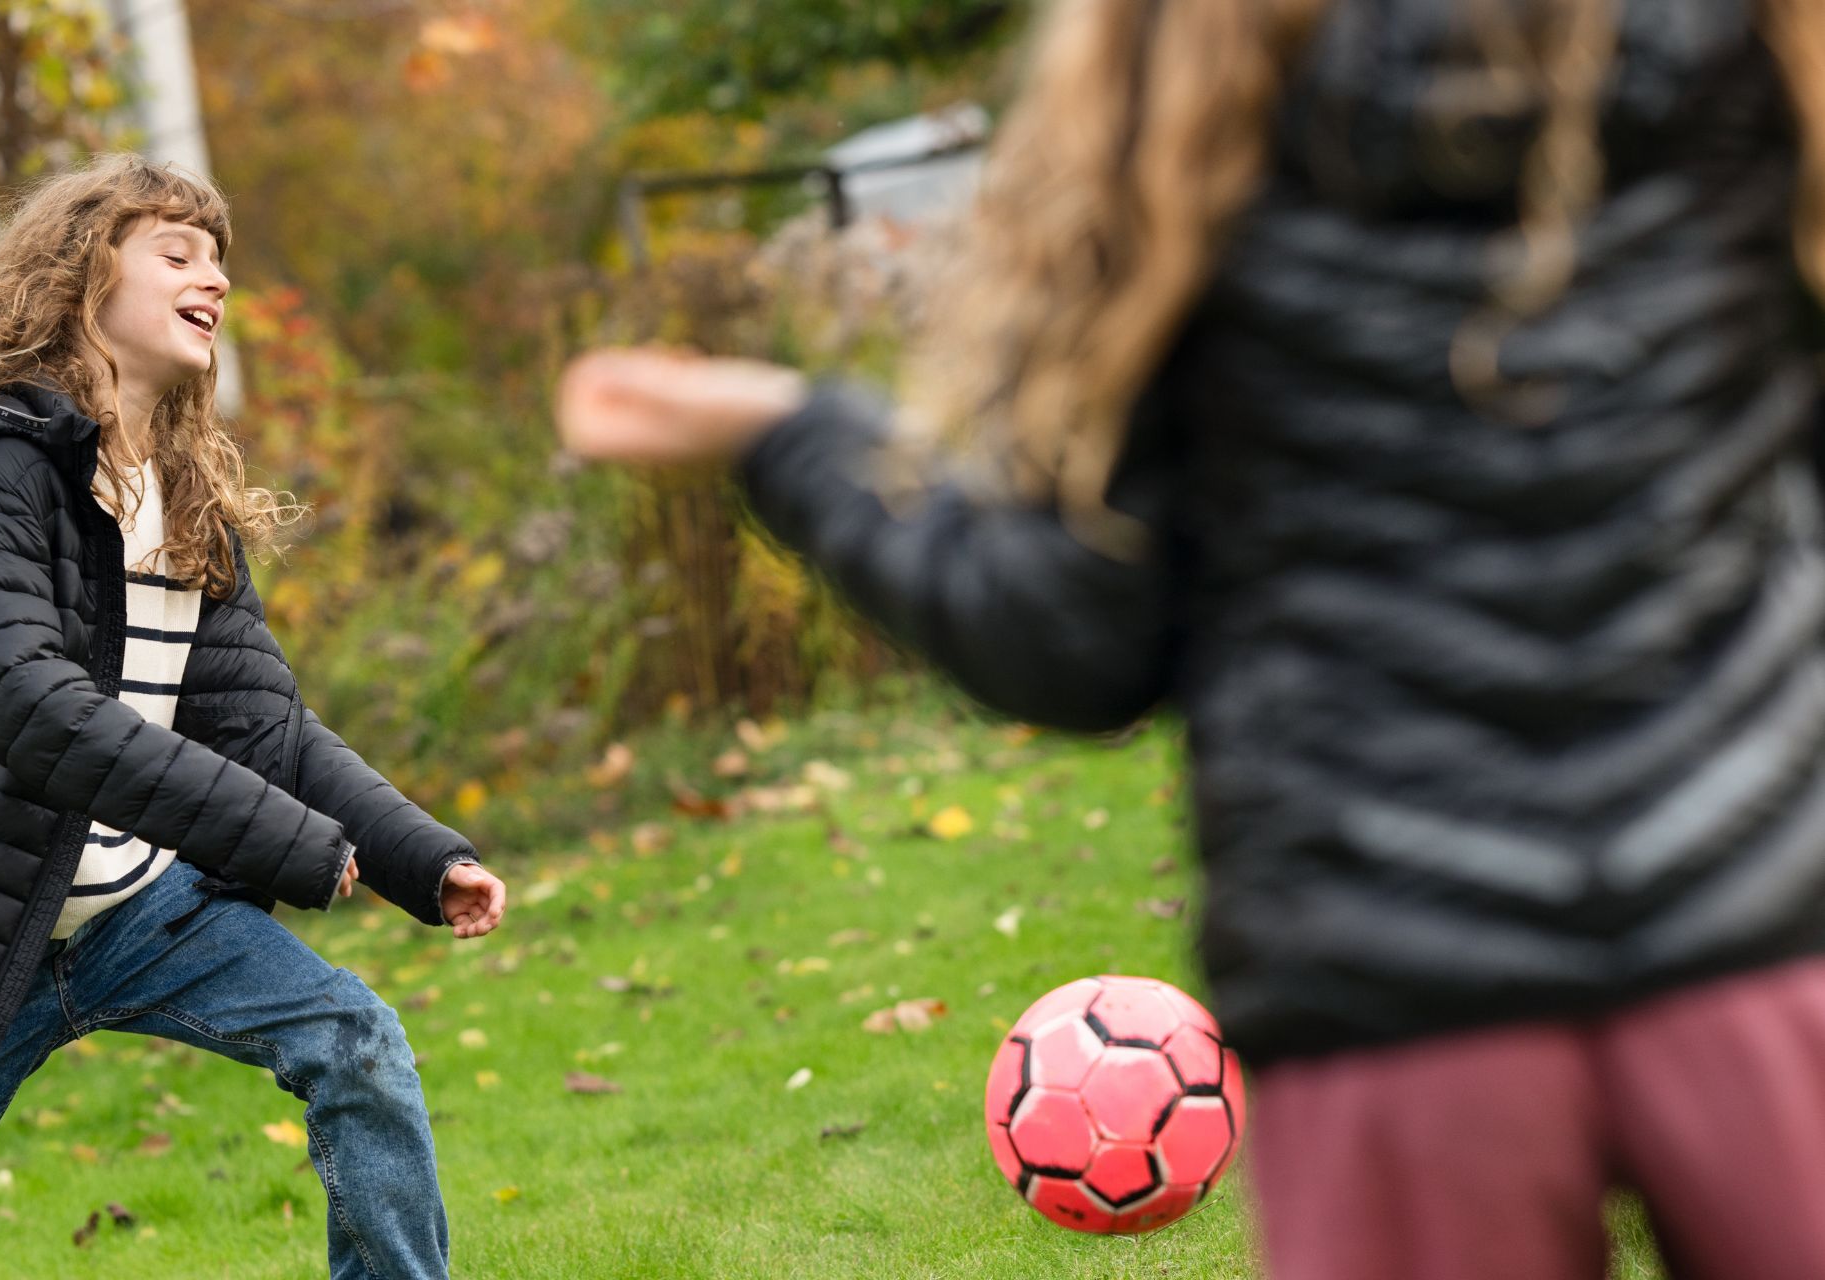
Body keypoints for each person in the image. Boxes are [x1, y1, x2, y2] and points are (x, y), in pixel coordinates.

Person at [557, 1, 1825, 1276]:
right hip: (1764, 935)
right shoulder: (1757, 65)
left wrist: (791, 434)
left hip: (1393, 997)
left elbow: (1064, 635)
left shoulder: (1180, 117)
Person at [0, 154, 508, 1279]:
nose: (215, 278)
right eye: (179, 251)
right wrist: (288, 843)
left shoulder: (181, 496)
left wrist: (417, 856)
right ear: (84, 274)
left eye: (222, 260)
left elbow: (269, 728)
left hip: (142, 913)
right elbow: (32, 708)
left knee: (356, 1043)